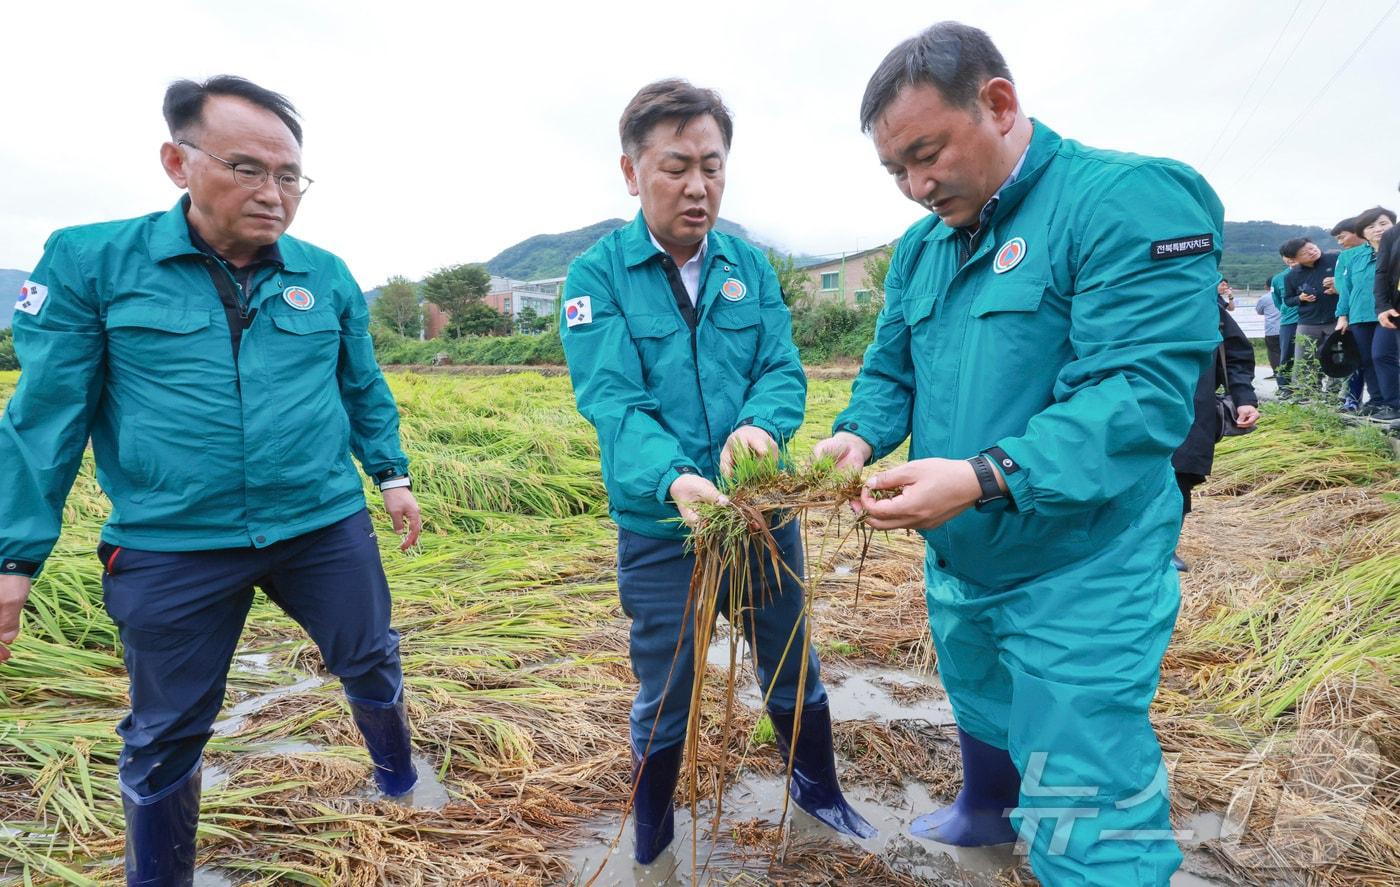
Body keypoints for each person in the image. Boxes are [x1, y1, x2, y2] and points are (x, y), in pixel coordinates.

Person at [812, 22, 1223, 885]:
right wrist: (855, 435)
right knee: (986, 695)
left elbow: (1137, 394)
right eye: (896, 171)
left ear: (998, 104)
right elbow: (891, 373)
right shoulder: (923, 249)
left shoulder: (1121, 200)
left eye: (927, 154)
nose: (917, 186)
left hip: (1080, 556)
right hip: (964, 548)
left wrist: (983, 475)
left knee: (1083, 786)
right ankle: (986, 806)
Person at [0, 77, 424, 885]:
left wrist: (391, 475)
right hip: (172, 541)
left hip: (322, 522)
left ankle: (401, 779)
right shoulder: (94, 263)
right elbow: (43, 418)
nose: (274, 194)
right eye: (247, 168)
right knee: (165, 730)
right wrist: (12, 558)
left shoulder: (325, 274)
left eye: (290, 176)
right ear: (177, 162)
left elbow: (362, 386)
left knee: (370, 656)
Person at [559, 79, 873, 865]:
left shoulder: (750, 267)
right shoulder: (595, 280)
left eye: (712, 165)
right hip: (665, 523)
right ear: (631, 173)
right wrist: (674, 477)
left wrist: (761, 427)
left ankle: (819, 791)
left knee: (791, 656)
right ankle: (655, 833)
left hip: (760, 514)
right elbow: (614, 403)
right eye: (675, 167)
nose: (698, 186)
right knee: (666, 685)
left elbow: (780, 368)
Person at [1171, 293, 1259, 571]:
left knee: (1180, 476)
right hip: (1129, 402)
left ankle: (1165, 547)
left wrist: (1244, 397)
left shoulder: (1201, 300)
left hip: (1192, 404)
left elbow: (1236, 354)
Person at [1338, 207, 1400, 422]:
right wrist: (1342, 316)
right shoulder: (1353, 257)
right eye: (1371, 226)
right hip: (1359, 315)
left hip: (1389, 313)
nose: (1378, 229)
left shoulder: (1395, 250)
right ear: (1362, 233)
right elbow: (1345, 288)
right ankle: (1377, 401)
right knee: (1366, 360)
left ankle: (1395, 403)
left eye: (1383, 223)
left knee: (1383, 356)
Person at [1281, 237, 1341, 394]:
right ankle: (1306, 391)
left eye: (1312, 247)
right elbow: (1287, 300)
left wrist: (1338, 283)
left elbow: (1351, 281)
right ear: (1294, 259)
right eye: (1304, 252)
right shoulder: (1291, 276)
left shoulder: (1336, 259)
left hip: (1335, 318)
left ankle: (1334, 393)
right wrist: (1300, 298)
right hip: (1307, 321)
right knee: (1304, 359)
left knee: (1336, 356)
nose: (1312, 251)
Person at [1272, 254, 1299, 393]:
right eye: (1285, 256)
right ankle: (1284, 387)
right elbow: (1277, 301)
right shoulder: (1278, 279)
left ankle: (1310, 388)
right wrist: (1287, 310)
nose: (1290, 258)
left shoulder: (1312, 272)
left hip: (1312, 320)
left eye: (1293, 254)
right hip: (1289, 321)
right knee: (1287, 355)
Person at [1254, 276, 1282, 377]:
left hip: (1272, 329)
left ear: (1267, 286)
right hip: (1287, 328)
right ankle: (1288, 373)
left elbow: (1259, 311)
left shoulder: (1264, 298)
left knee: (1273, 352)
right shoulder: (1285, 294)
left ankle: (1277, 373)